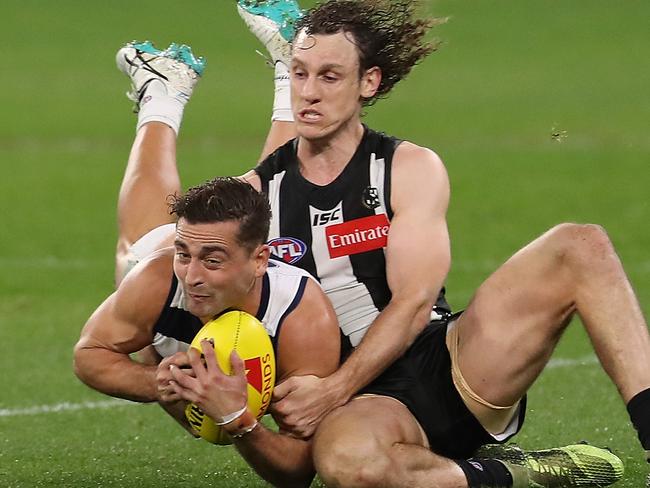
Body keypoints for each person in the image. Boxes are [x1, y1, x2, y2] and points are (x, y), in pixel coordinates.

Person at [103, 1, 650, 486]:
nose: (310, 92)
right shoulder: (257, 195)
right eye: (297, 74)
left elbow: (414, 303)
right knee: (349, 465)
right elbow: (189, 267)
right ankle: (523, 473)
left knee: (581, 244)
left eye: (329, 76)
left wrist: (335, 386)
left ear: (368, 83)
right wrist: (175, 369)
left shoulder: (407, 167)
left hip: (453, 359)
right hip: (368, 408)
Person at [74, 175, 341, 487]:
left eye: (212, 261)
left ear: (259, 260)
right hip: (148, 259)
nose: (192, 277)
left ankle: (281, 125)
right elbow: (88, 355)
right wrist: (159, 382)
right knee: (130, 248)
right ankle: (157, 122)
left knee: (275, 175)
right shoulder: (157, 279)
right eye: (183, 254)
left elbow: (296, 469)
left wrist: (239, 420)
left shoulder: (301, 315)